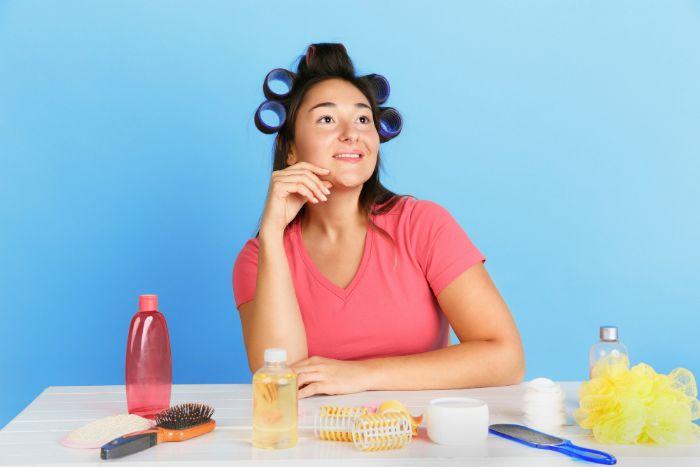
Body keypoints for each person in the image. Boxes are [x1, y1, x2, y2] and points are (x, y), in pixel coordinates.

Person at [233, 43, 524, 398]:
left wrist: (361, 375)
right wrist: (273, 234)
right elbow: (283, 381)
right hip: (316, 445)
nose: (351, 133)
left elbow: (506, 357)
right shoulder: (259, 257)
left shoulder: (423, 225)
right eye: (326, 119)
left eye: (362, 119)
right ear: (291, 148)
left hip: (418, 440)